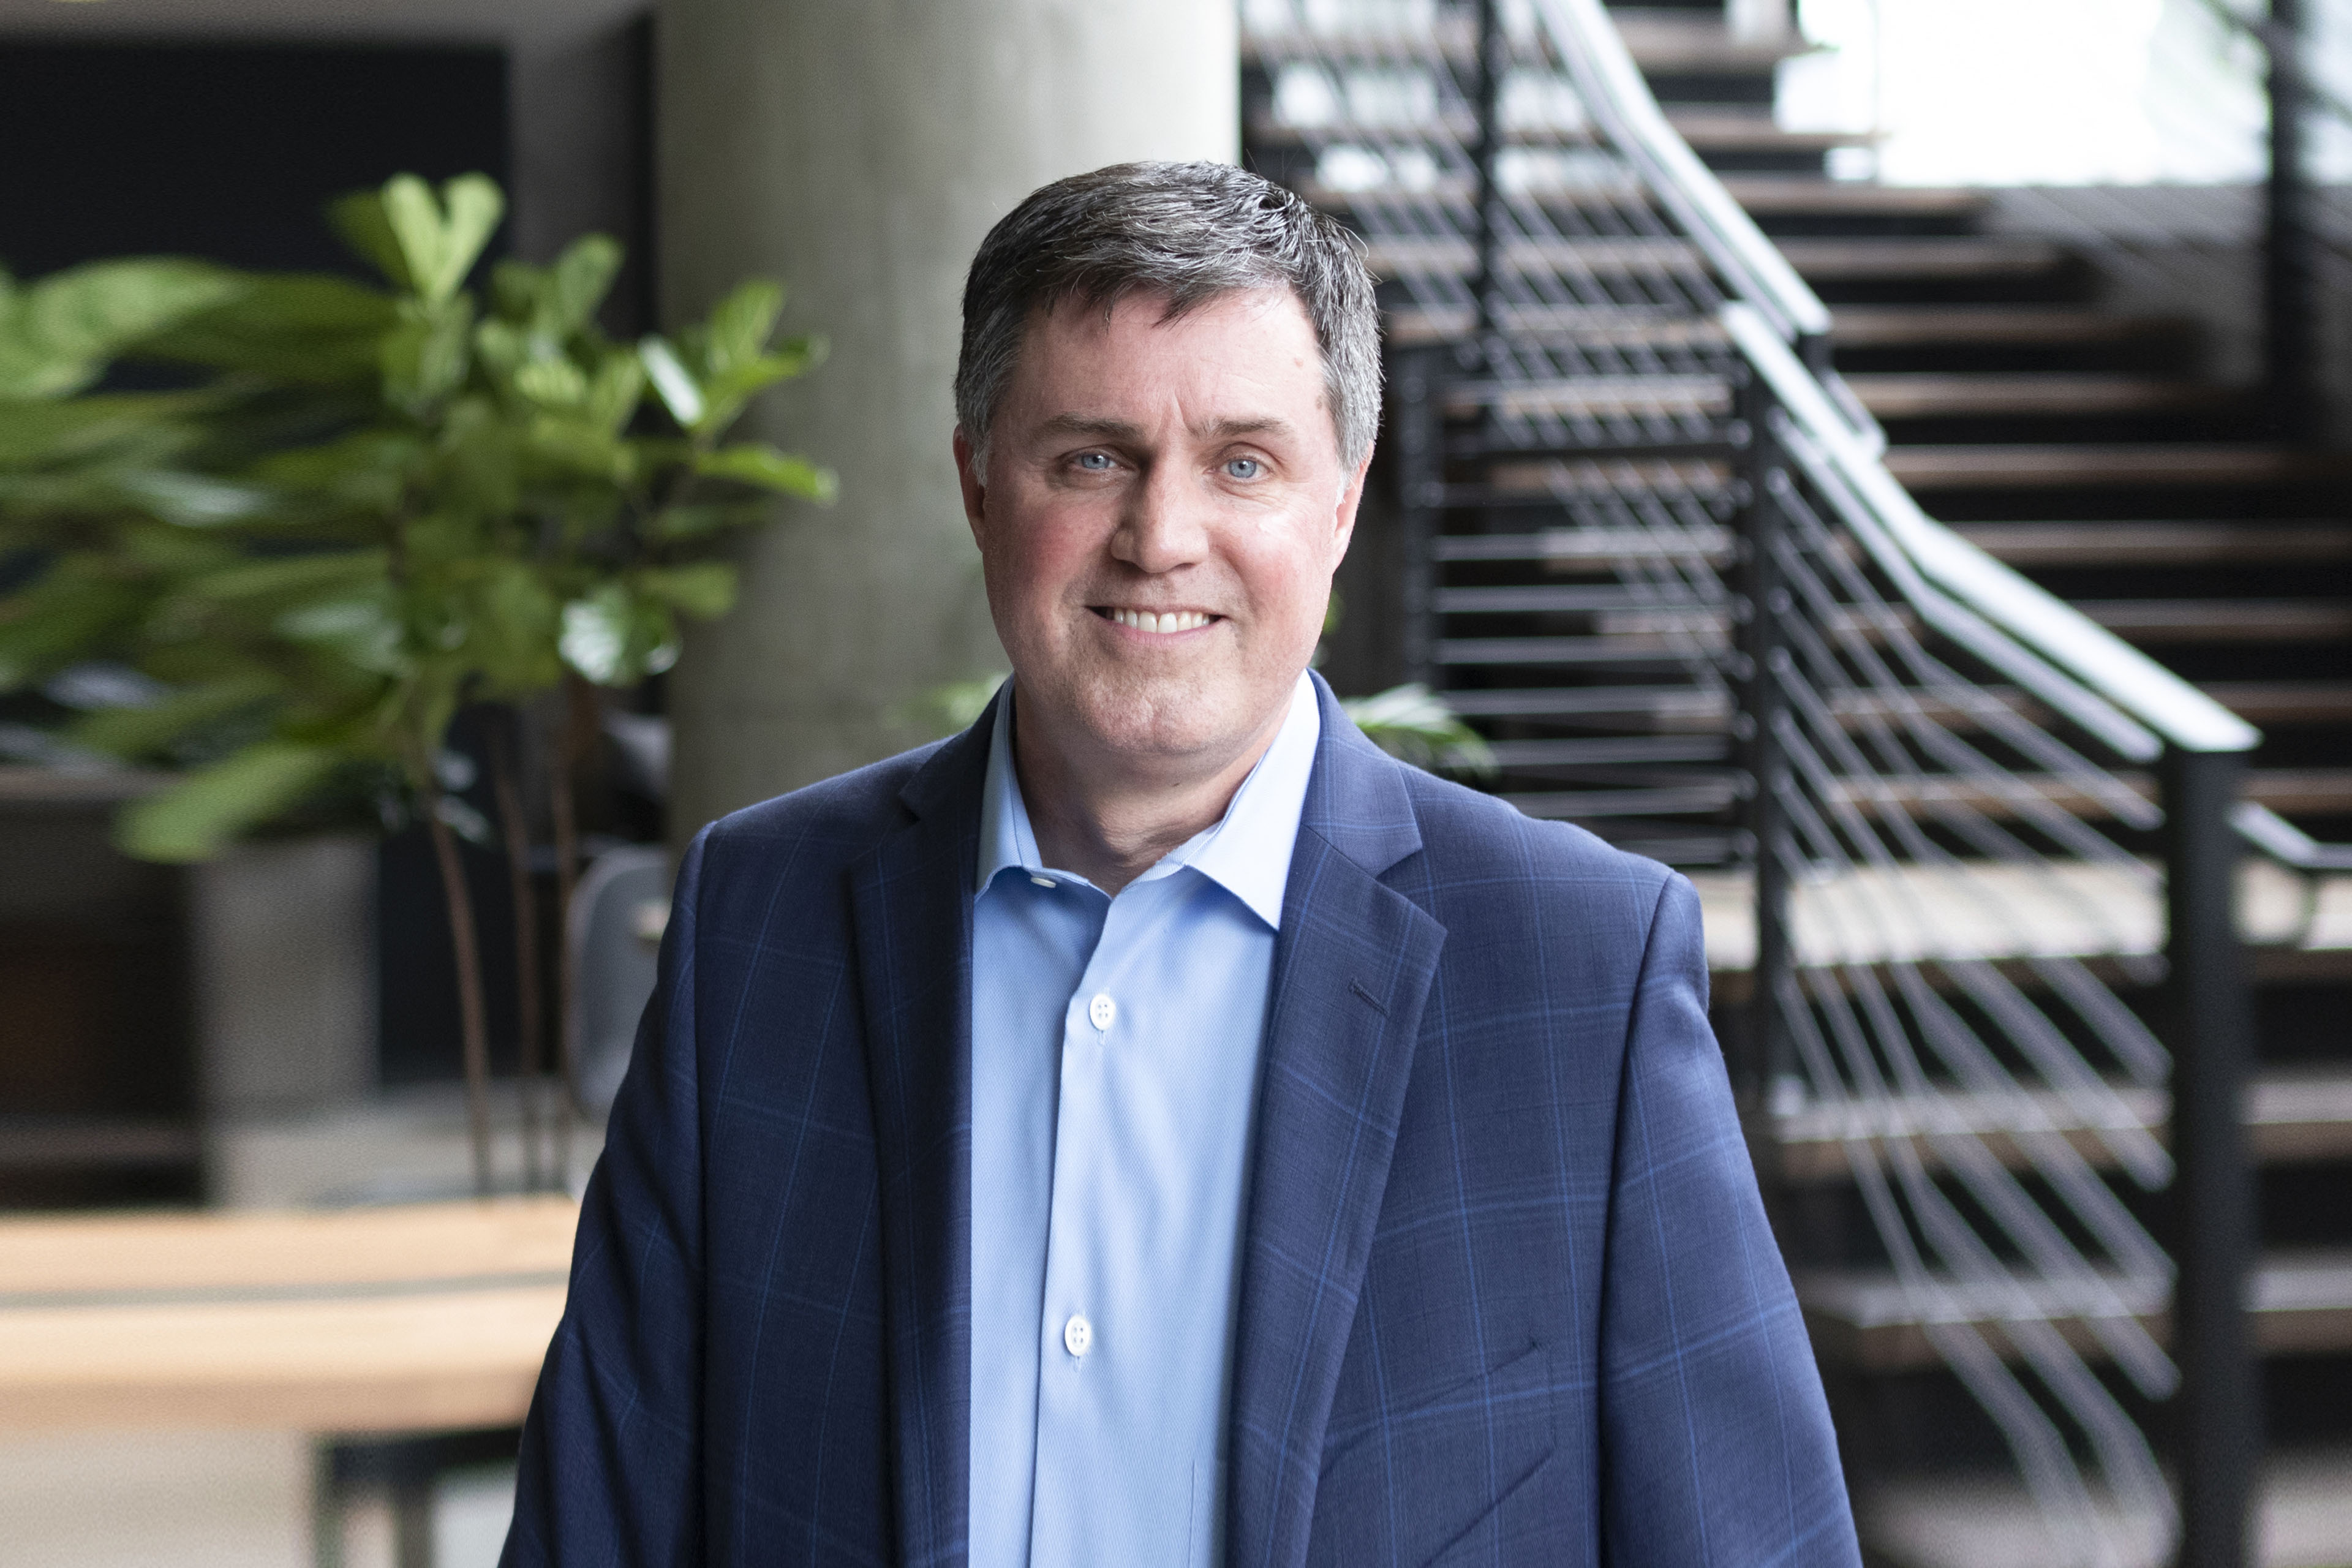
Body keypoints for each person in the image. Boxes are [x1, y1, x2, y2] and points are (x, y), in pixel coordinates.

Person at [502, 160, 1859, 1568]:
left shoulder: (1581, 973)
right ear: (978, 486)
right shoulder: (758, 924)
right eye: (1091, 457)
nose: (1161, 537)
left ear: (1343, 503)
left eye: (1243, 463)